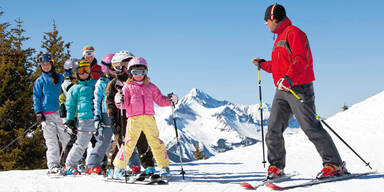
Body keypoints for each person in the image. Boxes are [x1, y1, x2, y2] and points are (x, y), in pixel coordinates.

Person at [252, 4, 346, 179]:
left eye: (266, 20)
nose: (265, 24)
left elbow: (300, 60)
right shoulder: (279, 37)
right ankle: (276, 167)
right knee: (273, 128)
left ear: (273, 18)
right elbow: (279, 67)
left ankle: (334, 164)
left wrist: (289, 78)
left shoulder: (294, 33)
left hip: (299, 87)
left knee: (310, 126)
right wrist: (263, 64)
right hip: (282, 90)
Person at [112, 56, 178, 179]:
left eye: (142, 72)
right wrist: (118, 100)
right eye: (135, 72)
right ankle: (118, 168)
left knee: (155, 142)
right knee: (129, 143)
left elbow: (160, 100)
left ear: (146, 72)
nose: (139, 75)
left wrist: (170, 100)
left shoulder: (151, 86)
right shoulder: (127, 87)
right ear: (130, 72)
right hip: (134, 119)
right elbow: (124, 105)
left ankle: (163, 166)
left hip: (149, 118)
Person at [105, 51, 154, 179]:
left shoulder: (137, 82)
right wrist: (113, 121)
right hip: (121, 118)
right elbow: (109, 104)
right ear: (119, 67)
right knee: (121, 143)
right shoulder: (114, 84)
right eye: (127, 64)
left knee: (143, 141)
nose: (131, 67)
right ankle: (112, 167)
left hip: (137, 117)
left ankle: (149, 166)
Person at [33, 53, 70, 175]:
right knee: (51, 142)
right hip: (47, 115)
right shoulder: (39, 81)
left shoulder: (60, 78)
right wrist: (38, 112)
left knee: (66, 139)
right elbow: (37, 97)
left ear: (52, 64)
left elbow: (67, 92)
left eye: (47, 63)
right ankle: (54, 165)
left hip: (61, 113)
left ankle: (69, 163)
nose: (45, 66)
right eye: (43, 64)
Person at [64, 60, 97, 175]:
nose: (84, 74)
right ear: (75, 73)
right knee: (81, 144)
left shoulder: (94, 84)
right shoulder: (74, 88)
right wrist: (70, 120)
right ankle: (70, 165)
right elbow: (70, 106)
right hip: (84, 119)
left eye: (87, 70)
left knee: (101, 143)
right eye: (81, 71)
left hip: (97, 118)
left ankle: (97, 164)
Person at [86, 54, 116, 175]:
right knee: (104, 140)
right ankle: (92, 164)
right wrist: (97, 116)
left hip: (118, 114)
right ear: (105, 68)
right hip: (105, 114)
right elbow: (96, 101)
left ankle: (130, 164)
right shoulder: (101, 82)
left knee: (125, 140)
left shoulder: (119, 81)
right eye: (113, 68)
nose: (116, 70)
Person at [59, 58, 78, 166]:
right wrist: (64, 118)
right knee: (74, 138)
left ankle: (78, 161)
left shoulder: (79, 83)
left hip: (81, 115)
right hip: (71, 116)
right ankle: (64, 162)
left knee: (86, 138)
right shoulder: (66, 85)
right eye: (75, 71)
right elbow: (62, 101)